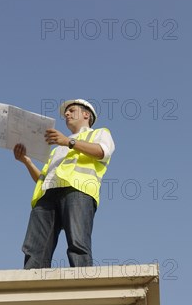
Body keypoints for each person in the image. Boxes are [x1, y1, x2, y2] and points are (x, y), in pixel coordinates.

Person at [13, 99, 115, 268]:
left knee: (78, 242)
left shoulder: (99, 133)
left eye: (71, 110)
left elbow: (102, 152)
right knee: (35, 247)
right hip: (48, 195)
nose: (66, 114)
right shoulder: (57, 148)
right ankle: (32, 285)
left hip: (78, 191)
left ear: (86, 114)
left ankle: (82, 285)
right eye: (66, 112)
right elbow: (43, 178)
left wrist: (69, 142)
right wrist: (26, 161)